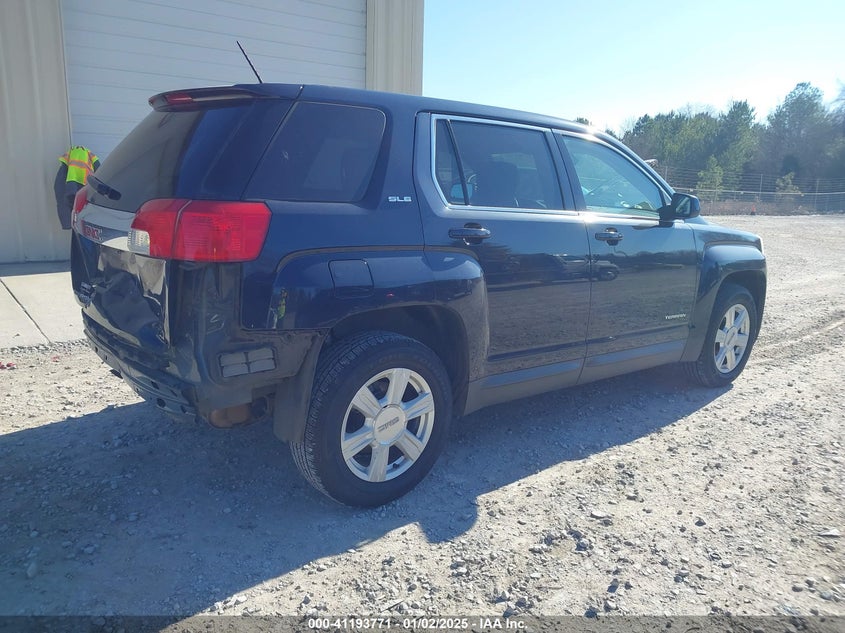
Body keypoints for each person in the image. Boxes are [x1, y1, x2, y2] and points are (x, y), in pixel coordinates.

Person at [54, 145, 99, 229]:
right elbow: (100, 170)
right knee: (84, 210)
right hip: (87, 186)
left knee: (68, 203)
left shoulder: (69, 155)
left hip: (71, 186)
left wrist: (66, 224)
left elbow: (59, 192)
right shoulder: (91, 155)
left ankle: (71, 225)